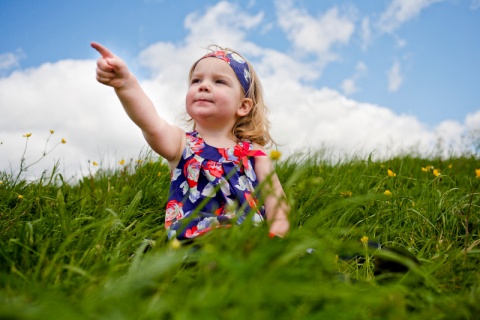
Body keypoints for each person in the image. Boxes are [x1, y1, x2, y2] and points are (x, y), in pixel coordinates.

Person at [91, 42, 289, 240]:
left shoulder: (255, 153)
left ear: (243, 106)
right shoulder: (181, 143)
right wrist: (126, 84)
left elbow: (277, 204)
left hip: (251, 240)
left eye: (219, 81)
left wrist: (276, 241)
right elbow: (150, 123)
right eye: (196, 81)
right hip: (199, 241)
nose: (203, 86)